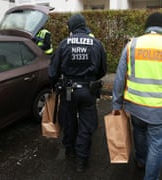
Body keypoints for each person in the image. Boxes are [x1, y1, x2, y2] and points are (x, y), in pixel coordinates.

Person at [112, 12, 162, 180]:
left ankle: (141, 160)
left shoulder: (132, 45)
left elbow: (119, 78)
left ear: (146, 28)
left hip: (135, 105)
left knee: (139, 132)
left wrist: (116, 104)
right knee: (156, 146)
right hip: (159, 109)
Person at [48, 13, 107, 172]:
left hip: (68, 90)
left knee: (68, 120)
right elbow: (103, 70)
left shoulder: (64, 44)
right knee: (87, 125)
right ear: (84, 25)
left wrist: (52, 85)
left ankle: (69, 149)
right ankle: (81, 159)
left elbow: (53, 71)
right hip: (88, 90)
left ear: (71, 27)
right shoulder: (97, 44)